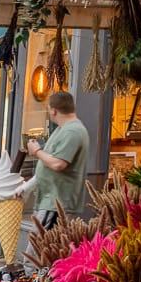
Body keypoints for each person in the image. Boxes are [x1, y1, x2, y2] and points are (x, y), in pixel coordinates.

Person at [25, 91, 90, 229]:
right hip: (49, 202)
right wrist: (26, 188)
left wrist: (36, 151)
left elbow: (58, 164)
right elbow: (49, 161)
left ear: (53, 111)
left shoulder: (73, 131)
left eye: (48, 109)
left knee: (40, 247)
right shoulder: (62, 129)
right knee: (40, 247)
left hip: (56, 204)